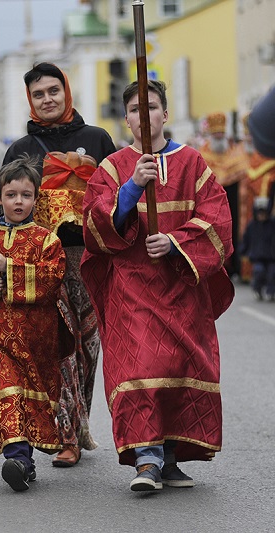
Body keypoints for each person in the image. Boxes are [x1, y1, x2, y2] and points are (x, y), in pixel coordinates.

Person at [81, 79, 234, 492]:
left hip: (180, 285)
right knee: (141, 365)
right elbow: (94, 225)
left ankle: (168, 457)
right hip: (132, 287)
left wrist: (174, 242)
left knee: (179, 365)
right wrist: (132, 187)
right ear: (125, 118)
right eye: (134, 109)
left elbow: (217, 220)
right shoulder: (112, 168)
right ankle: (145, 460)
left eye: (150, 107)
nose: (142, 115)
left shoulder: (192, 164)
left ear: (164, 114)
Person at [2, 62, 115, 467]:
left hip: (91, 259)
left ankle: (79, 422)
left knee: (88, 348)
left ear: (66, 92)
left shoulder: (97, 139)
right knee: (58, 348)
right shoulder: (20, 149)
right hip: (41, 261)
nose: (47, 99)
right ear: (29, 100)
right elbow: (8, 208)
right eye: (38, 94)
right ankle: (65, 434)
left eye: (53, 91)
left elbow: (117, 199)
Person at [0, 155, 68, 491]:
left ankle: (25, 461)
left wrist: (8, 269)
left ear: (36, 198)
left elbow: (52, 279)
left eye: (26, 195)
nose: (19, 201)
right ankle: (17, 457)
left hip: (36, 337)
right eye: (11, 195)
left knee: (30, 397)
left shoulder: (47, 240)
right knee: (3, 390)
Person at [199, 112, 248, 278]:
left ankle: (235, 265)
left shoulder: (235, 153)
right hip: (212, 203)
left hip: (233, 201)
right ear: (211, 135)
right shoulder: (202, 154)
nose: (218, 136)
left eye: (221, 133)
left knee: (234, 231)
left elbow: (243, 172)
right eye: (215, 133)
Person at [239, 197, 275, 301]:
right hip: (257, 256)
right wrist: (243, 250)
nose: (261, 216)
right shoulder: (252, 225)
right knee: (259, 271)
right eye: (259, 213)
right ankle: (257, 289)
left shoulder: (273, 224)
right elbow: (246, 239)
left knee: (272, 273)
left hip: (272, 256)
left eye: (264, 213)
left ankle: (271, 292)